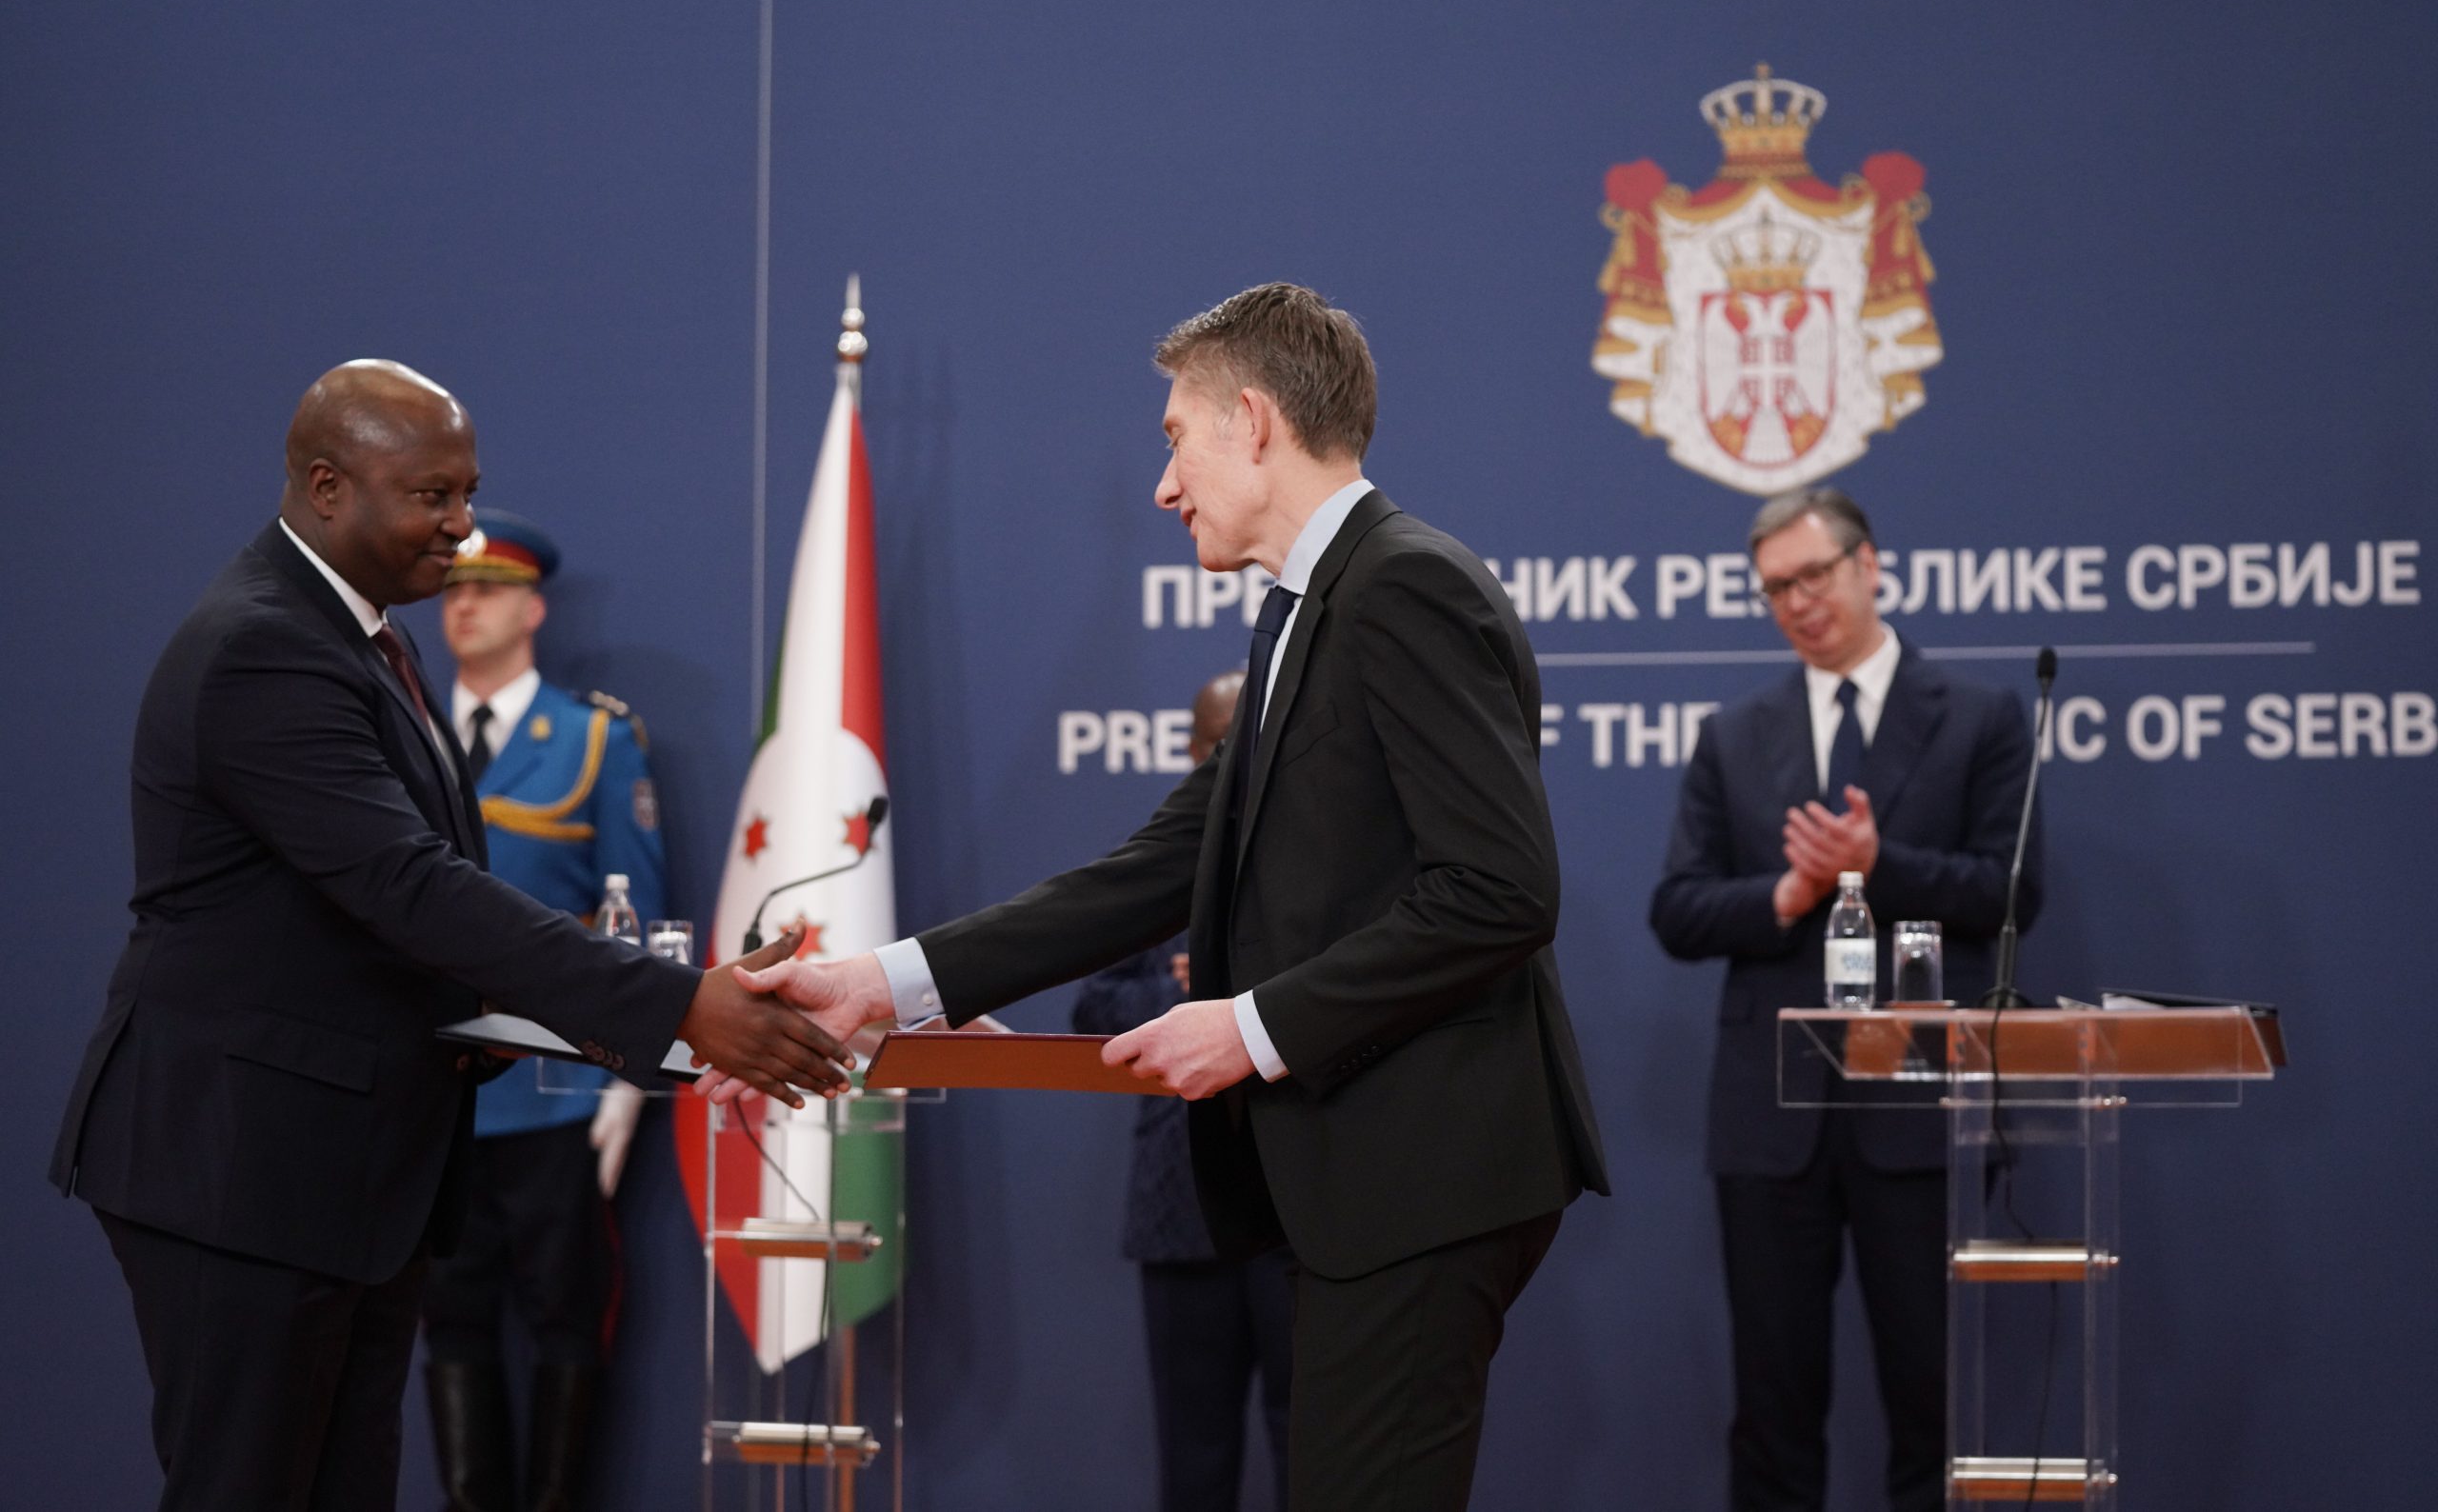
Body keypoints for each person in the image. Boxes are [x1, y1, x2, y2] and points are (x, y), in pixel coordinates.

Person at [705, 284, 1609, 1512]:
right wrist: (880, 982)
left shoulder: (1403, 587)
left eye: (1177, 438)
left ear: (1253, 421)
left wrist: (1250, 1026)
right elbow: (1163, 865)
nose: (1163, 485)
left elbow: (1499, 891)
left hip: (1424, 1174)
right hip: (1373, 1176)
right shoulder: (1305, 610)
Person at [48, 359, 849, 1512]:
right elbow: (409, 888)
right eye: (432, 496)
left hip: (338, 1170)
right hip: (241, 1168)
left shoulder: (366, 637)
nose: (461, 527)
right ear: (328, 488)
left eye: (466, 492)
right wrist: (678, 1007)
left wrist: (584, 1019)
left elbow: (395, 913)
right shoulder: (264, 646)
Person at [1648, 487, 2043, 1512]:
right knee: (1771, 1412)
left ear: (1869, 565)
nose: (1797, 602)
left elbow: (2012, 891)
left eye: (1813, 575)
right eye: (1775, 588)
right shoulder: (1736, 735)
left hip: (1918, 1109)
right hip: (1770, 1119)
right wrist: (1785, 895)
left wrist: (1878, 862)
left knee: (1930, 1404)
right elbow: (1676, 909)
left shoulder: (1978, 717)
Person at [419, 509, 666, 1512]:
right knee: (446, 1313)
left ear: (533, 609)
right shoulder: (403, 736)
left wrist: (629, 1078)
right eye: (451, 589)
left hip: (557, 1086)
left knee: (569, 1312)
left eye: (488, 589)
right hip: (429, 1085)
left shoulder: (595, 738)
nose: (464, 605)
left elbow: (635, 915)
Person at [1070, 667, 1293, 1512]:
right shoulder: (1161, 861)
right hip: (1181, 1209)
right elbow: (1095, 1009)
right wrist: (1183, 997)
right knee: (1194, 1461)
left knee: (1316, 1450)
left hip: (1300, 1207)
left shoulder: (1321, 857)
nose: (1239, 756)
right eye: (1222, 743)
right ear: (1195, 751)